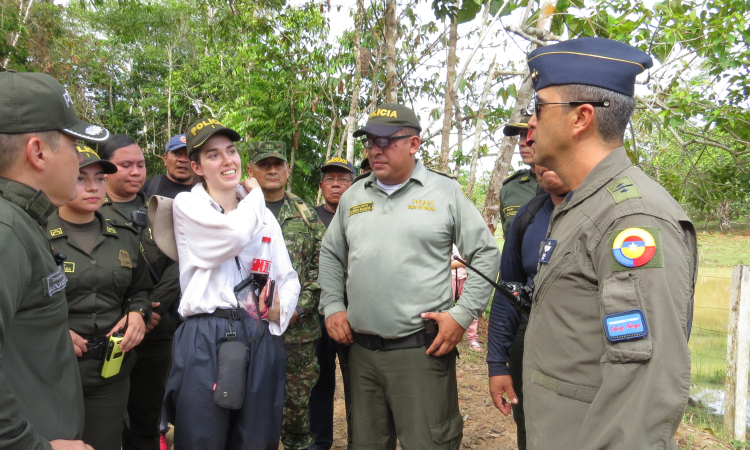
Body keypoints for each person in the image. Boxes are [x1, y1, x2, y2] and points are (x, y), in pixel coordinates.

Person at [521, 37, 697, 449]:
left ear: (581, 118)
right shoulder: (584, 205)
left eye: (539, 107)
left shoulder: (631, 221)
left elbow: (646, 387)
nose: (530, 124)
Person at [318, 103, 501, 449]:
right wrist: (332, 305)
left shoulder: (443, 192)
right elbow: (330, 253)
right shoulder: (355, 195)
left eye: (386, 141)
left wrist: (462, 315)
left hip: (420, 352)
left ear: (414, 144)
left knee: (428, 442)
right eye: (370, 142)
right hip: (361, 354)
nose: (375, 150)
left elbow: (486, 254)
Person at [162, 117, 300, 449]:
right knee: (201, 437)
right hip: (206, 332)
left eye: (231, 151)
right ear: (196, 166)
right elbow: (234, 235)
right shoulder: (189, 205)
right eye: (213, 155)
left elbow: (287, 275)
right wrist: (255, 196)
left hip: (257, 328)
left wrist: (278, 310)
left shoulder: (262, 214)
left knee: (257, 437)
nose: (227, 161)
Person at [0, 70, 109, 450]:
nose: (80, 161)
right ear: (38, 151)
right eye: (73, 144)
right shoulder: (7, 230)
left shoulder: (25, 219)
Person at [47, 145, 153, 450]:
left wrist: (137, 313)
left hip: (110, 372)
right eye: (81, 178)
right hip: (54, 373)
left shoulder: (124, 234)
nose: (93, 187)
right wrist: (54, 332)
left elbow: (140, 290)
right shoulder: (38, 233)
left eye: (100, 179)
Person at [96, 134, 181, 450]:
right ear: (105, 169)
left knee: (145, 419)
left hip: (155, 332)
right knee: (103, 417)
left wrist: (149, 310)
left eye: (141, 165)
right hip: (106, 332)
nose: (136, 172)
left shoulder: (160, 208)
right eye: (125, 165)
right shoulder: (90, 209)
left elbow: (178, 263)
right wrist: (127, 315)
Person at [245, 141, 327, 450]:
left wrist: (299, 309)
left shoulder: (305, 215)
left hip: (298, 334)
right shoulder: (238, 210)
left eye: (277, 164)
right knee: (250, 407)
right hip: (249, 331)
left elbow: (322, 270)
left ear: (287, 169)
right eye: (264, 165)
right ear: (250, 170)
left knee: (296, 411)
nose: (272, 170)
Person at [486, 165, 569, 450]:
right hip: (532, 344)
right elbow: (507, 289)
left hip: (587, 363)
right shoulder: (530, 214)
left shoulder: (611, 211)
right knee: (530, 425)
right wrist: (497, 363)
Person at [309, 157, 356, 450]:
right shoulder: (308, 218)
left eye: (342, 179)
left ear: (353, 185)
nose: (336, 184)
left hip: (354, 315)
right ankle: (319, 442)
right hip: (316, 316)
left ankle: (362, 441)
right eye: (330, 179)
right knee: (319, 381)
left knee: (359, 385)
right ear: (322, 186)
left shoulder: (362, 217)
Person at [498, 112, 538, 237]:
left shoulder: (571, 183)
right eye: (521, 136)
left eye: (529, 134)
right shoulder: (511, 188)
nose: (522, 143)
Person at [141, 133, 196, 199]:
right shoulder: (148, 187)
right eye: (177, 153)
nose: (183, 160)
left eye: (189, 154)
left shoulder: (206, 191)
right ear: (165, 159)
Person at [451, 245, 479, 351]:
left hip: (466, 278)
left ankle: (473, 340)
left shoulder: (465, 242)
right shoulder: (446, 241)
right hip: (450, 279)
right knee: (446, 308)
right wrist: (463, 262)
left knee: (470, 307)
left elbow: (472, 259)